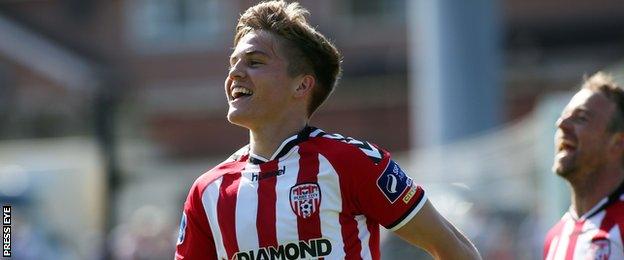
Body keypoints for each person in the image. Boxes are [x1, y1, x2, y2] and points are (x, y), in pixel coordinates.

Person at [175, 1, 481, 259]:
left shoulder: (352, 161)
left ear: (302, 85)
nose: (235, 73)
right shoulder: (208, 191)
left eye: (255, 62)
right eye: (234, 63)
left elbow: (455, 250)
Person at [543, 72, 624, 259]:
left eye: (581, 118)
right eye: (564, 116)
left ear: (617, 143)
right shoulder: (554, 238)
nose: (561, 123)